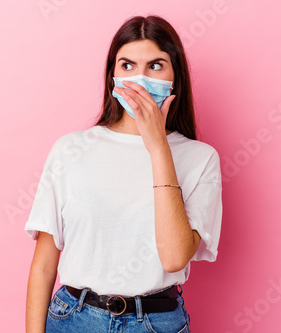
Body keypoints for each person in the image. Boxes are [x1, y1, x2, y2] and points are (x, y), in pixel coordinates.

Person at [25, 14, 223, 333]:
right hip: (74, 319)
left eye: (155, 65)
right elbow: (45, 264)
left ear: (176, 77)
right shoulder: (70, 150)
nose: (139, 78)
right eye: (127, 65)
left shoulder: (200, 159)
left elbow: (174, 258)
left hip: (157, 323)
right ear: (112, 76)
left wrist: (158, 147)